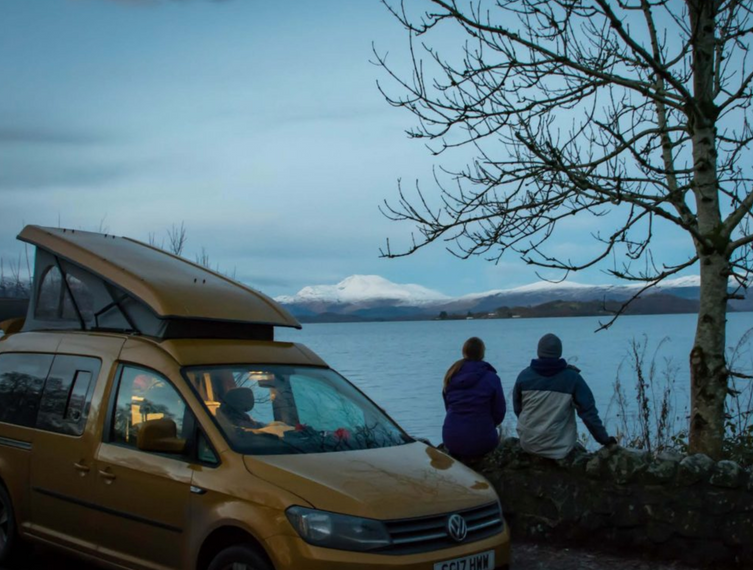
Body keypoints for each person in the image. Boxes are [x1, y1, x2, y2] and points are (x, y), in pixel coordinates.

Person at [513, 333, 616, 459]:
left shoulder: (524, 376)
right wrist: (605, 440)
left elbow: (518, 410)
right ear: (559, 353)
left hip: (528, 444)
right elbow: (589, 414)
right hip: (560, 448)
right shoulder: (573, 379)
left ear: (538, 352)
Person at [442, 337, 506, 460]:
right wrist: (488, 425)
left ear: (464, 351)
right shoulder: (492, 378)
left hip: (451, 438)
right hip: (482, 440)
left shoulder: (451, 376)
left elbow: (448, 407)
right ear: (482, 353)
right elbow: (499, 412)